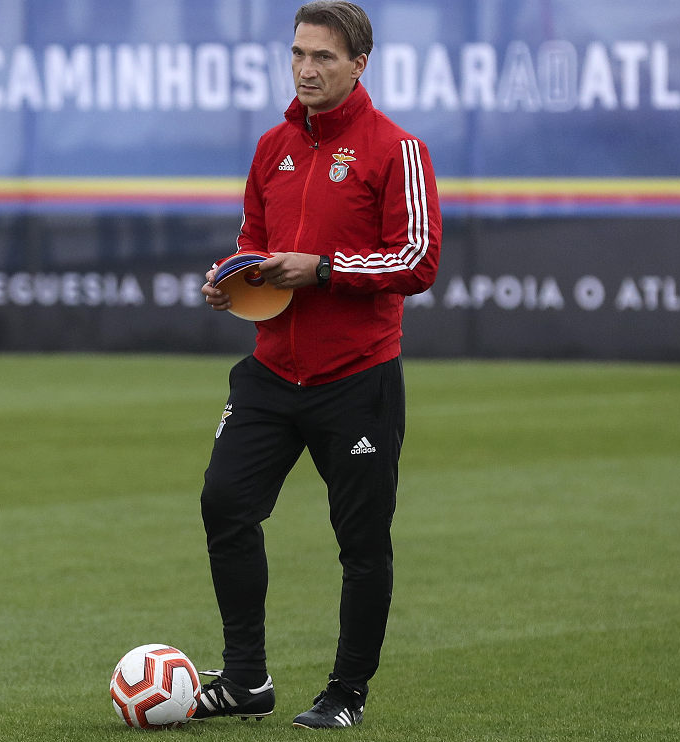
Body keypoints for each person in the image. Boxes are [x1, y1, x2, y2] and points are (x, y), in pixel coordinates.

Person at [191, 0, 441, 730]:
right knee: (224, 503)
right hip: (272, 373)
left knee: (361, 544)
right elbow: (253, 245)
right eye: (298, 53)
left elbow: (418, 260)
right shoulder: (273, 147)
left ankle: (346, 694)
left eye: (323, 57)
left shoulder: (395, 149)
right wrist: (228, 281)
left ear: (359, 64)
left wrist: (325, 269)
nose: (306, 67)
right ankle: (246, 681)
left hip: (356, 378)